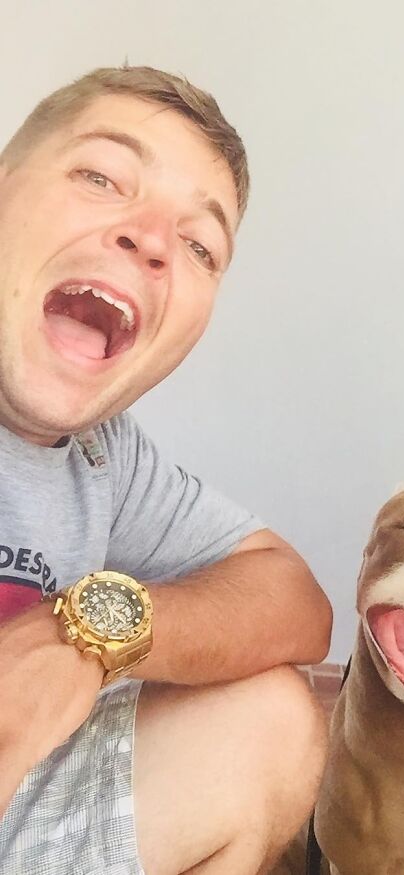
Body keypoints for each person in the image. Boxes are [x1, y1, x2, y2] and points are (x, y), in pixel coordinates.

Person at [0, 65, 333, 875]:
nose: (152, 240)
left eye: (199, 245)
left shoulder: (102, 453)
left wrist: (84, 633)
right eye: (101, 176)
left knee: (272, 720)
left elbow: (294, 599)